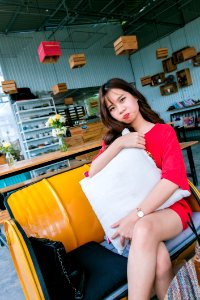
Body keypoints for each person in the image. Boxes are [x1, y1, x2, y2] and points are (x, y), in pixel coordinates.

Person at [88, 78, 192, 300]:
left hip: (171, 210)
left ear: (135, 95)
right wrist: (119, 144)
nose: (121, 110)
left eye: (122, 99)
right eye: (113, 108)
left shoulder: (164, 132)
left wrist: (136, 216)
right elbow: (92, 173)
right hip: (133, 212)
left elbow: (172, 180)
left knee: (143, 228)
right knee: (161, 262)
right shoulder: (116, 140)